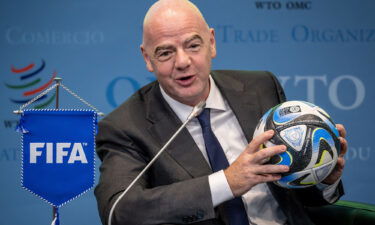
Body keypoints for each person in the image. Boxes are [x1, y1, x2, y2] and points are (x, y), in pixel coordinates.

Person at [94, 0, 347, 225]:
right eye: (165, 52)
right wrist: (227, 182)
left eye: (193, 45)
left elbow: (294, 195)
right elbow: (120, 212)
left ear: (211, 43)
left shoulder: (261, 88)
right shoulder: (124, 126)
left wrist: (322, 177)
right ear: (147, 58)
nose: (182, 62)